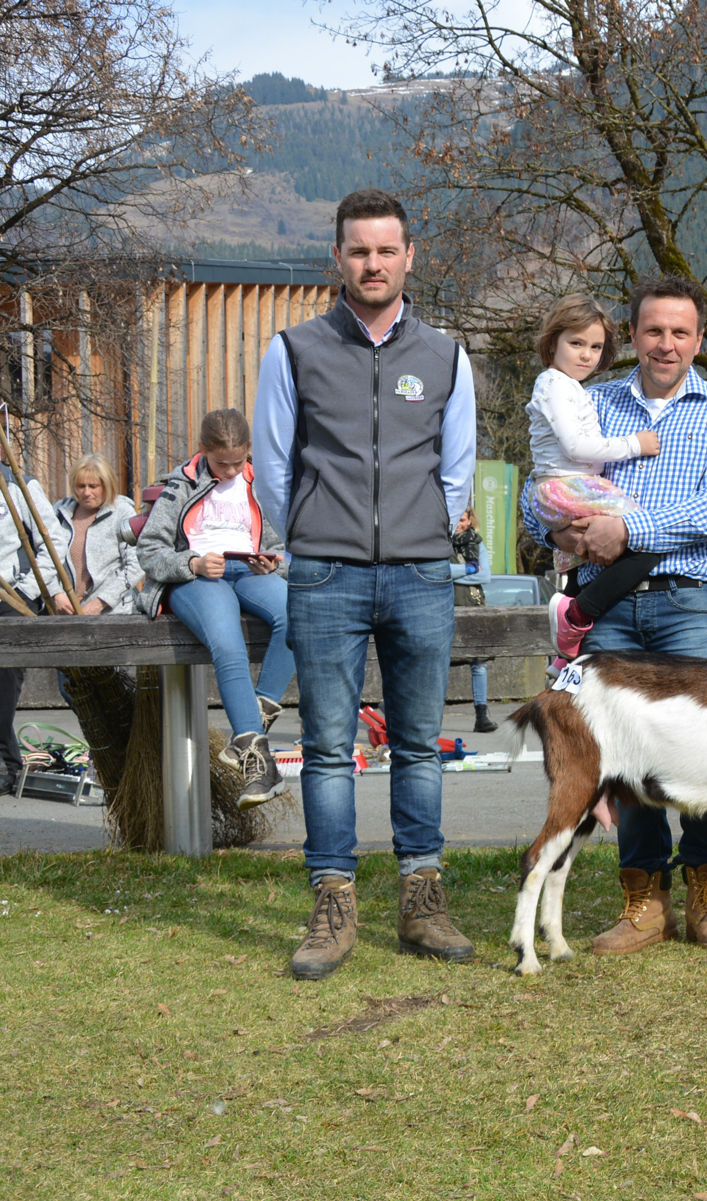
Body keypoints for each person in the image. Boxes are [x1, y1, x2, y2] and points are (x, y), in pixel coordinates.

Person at [252, 187, 479, 982]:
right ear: (337, 257)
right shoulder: (293, 350)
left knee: (418, 744)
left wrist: (424, 536)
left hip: (420, 573)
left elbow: (456, 473)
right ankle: (333, 906)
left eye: (387, 250)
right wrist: (313, 536)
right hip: (326, 573)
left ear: (410, 255)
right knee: (324, 748)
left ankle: (422, 899)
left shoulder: (446, 355)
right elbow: (275, 468)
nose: (373, 263)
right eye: (358, 250)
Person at [521, 275, 707, 954]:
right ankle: (642, 899)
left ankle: (706, 891)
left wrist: (632, 531)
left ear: (699, 339)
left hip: (684, 599)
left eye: (680, 332)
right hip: (606, 604)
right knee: (622, 753)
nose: (666, 344)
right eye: (653, 331)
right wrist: (554, 529)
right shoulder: (591, 402)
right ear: (634, 335)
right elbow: (545, 487)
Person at [136, 410, 292, 808]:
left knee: (301, 612)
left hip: (249, 570)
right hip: (198, 576)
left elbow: (280, 546)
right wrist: (193, 563)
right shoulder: (180, 484)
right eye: (222, 462)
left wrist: (272, 561)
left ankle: (253, 723)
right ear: (203, 450)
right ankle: (260, 765)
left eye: (239, 461)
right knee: (227, 642)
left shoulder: (258, 483)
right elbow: (150, 551)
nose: (232, 469)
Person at [523, 294, 663, 660]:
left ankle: (565, 642)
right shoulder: (554, 385)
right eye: (576, 343)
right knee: (644, 532)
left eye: (596, 346)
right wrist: (635, 444)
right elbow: (576, 446)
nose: (586, 355)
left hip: (565, 485)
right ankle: (577, 613)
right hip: (566, 485)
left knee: (593, 553)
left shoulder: (569, 387)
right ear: (552, 342)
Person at [1, 462, 71, 795]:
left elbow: (53, 541)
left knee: (3, 677)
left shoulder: (19, 485)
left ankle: (6, 765)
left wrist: (27, 590)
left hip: (12, 596)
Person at [53, 455, 143, 615]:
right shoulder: (60, 513)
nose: (86, 492)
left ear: (106, 485)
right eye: (81, 486)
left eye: (93, 486)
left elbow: (136, 565)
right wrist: (55, 592)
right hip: (65, 613)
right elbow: (45, 560)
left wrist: (101, 602)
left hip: (112, 614)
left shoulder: (122, 512)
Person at [451, 507, 498, 734]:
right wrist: (467, 569)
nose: (458, 523)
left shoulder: (478, 544)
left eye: (462, 519)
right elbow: (438, 571)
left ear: (470, 521)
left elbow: (485, 575)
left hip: (474, 606)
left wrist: (455, 572)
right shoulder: (439, 543)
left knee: (479, 663)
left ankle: (482, 715)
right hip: (447, 606)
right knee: (439, 663)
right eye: (456, 519)